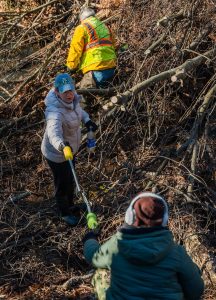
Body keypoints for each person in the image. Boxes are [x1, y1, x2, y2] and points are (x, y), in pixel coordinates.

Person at [83, 192, 204, 300]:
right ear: (164, 220)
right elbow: (196, 290)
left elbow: (93, 256)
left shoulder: (116, 245)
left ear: (130, 216)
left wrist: (90, 239)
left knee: (100, 273)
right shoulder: (176, 252)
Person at [41, 73, 98, 226]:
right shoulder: (54, 112)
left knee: (71, 179)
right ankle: (64, 213)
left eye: (71, 90)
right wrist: (61, 145)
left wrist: (87, 121)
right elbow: (53, 133)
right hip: (56, 153)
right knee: (62, 183)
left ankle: (71, 205)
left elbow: (79, 112)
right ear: (57, 92)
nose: (69, 94)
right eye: (65, 91)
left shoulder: (73, 101)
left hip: (70, 149)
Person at [66, 7, 117, 89]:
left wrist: (71, 67)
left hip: (95, 69)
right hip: (111, 69)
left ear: (82, 19)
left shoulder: (81, 28)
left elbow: (75, 49)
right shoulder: (104, 26)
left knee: (82, 97)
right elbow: (115, 45)